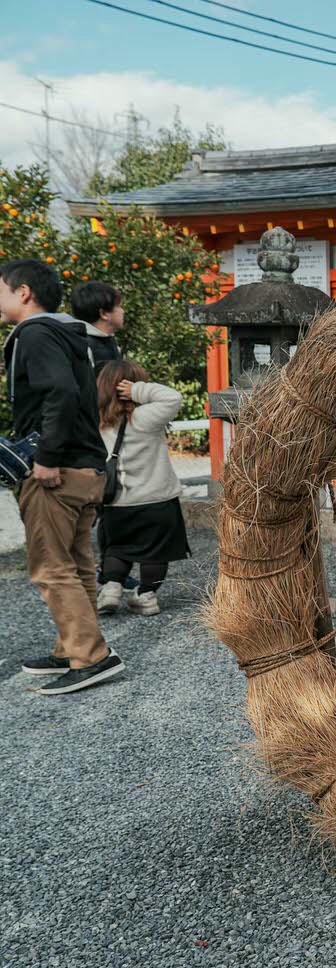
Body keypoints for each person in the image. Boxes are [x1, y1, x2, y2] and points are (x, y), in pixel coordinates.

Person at [0, 259, 123, 694]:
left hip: (58, 470)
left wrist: (46, 457)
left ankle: (90, 657)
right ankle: (70, 648)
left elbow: (60, 393)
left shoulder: (34, 334)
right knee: (77, 564)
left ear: (24, 292)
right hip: (87, 464)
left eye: (1, 289)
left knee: (52, 568)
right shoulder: (70, 333)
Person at [94, 359, 188, 617]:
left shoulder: (97, 421)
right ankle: (146, 597)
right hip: (157, 500)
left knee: (117, 548)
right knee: (156, 552)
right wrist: (137, 390)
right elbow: (172, 397)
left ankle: (111, 588)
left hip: (117, 502)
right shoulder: (146, 417)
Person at [68, 280, 124, 373]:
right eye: (118, 306)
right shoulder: (83, 347)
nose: (122, 311)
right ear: (104, 314)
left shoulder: (110, 344)